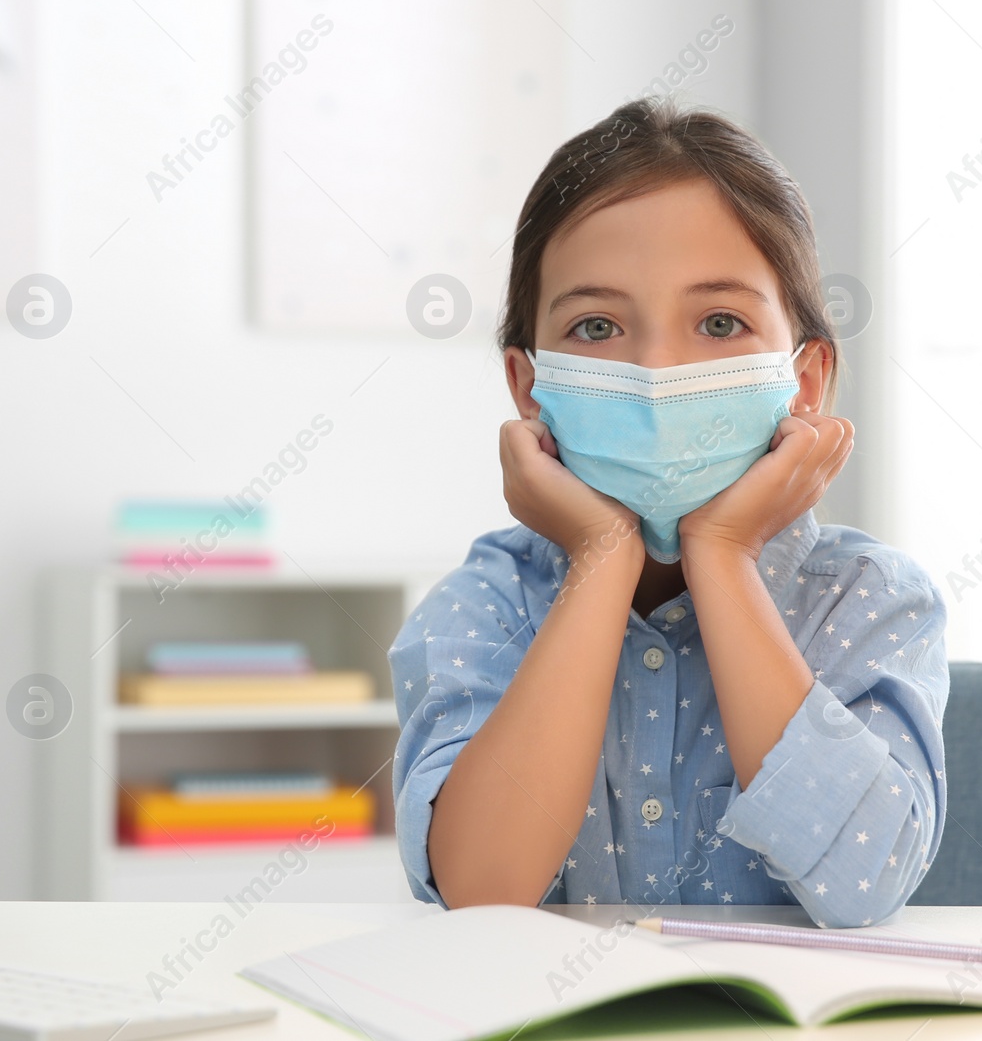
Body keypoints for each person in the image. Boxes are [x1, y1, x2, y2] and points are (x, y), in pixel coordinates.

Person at [389, 97, 948, 928]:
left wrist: (723, 554)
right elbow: (482, 887)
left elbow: (868, 881)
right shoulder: (485, 603)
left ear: (805, 381)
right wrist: (603, 555)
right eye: (598, 325)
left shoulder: (868, 596)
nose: (656, 370)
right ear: (526, 384)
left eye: (719, 322)